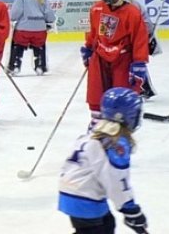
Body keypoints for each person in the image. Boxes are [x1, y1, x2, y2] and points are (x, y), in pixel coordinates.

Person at [58, 87, 148, 234]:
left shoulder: (96, 131)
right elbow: (116, 181)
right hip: (85, 198)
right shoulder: (116, 143)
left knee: (106, 225)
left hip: (70, 193)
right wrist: (129, 208)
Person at [80, 0, 149, 130]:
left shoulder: (132, 12)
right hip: (100, 57)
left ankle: (118, 130)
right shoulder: (96, 8)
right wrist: (88, 48)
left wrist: (139, 62)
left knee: (121, 95)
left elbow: (139, 39)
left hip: (122, 59)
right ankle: (96, 125)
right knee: (96, 93)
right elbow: (93, 32)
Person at [8, 0, 56, 75]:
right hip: (40, 30)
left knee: (17, 45)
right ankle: (40, 66)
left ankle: (15, 65)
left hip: (23, 29)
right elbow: (49, 15)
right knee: (40, 46)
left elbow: (15, 13)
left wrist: (13, 18)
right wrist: (49, 22)